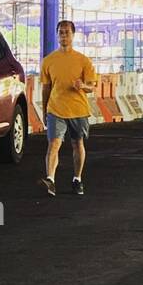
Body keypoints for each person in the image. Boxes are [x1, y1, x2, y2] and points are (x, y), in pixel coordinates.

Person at [38, 19, 97, 196]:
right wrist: (44, 109)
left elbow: (92, 86)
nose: (64, 35)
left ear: (73, 35)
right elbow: (46, 88)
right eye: (61, 32)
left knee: (77, 143)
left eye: (67, 32)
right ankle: (50, 179)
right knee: (53, 144)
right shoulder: (48, 61)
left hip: (78, 110)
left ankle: (77, 179)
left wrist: (82, 86)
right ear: (57, 35)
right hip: (55, 109)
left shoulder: (83, 61)